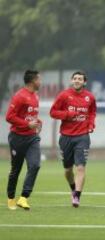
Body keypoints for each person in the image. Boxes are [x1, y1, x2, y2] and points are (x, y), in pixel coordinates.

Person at [50, 71, 96, 208]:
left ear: (84, 82)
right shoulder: (64, 95)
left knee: (80, 167)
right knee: (68, 170)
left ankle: (77, 196)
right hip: (66, 137)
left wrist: (91, 124)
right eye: (75, 78)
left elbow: (92, 112)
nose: (77, 81)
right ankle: (73, 188)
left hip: (82, 136)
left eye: (80, 79)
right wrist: (68, 114)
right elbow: (53, 112)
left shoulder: (90, 97)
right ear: (71, 81)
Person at [5, 70, 42, 210]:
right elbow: (9, 117)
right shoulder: (19, 96)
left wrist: (38, 122)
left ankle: (23, 197)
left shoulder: (35, 96)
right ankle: (10, 198)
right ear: (33, 81)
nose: (41, 82)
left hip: (32, 137)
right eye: (39, 79)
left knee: (35, 165)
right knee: (16, 169)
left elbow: (29, 115)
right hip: (17, 138)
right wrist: (27, 124)